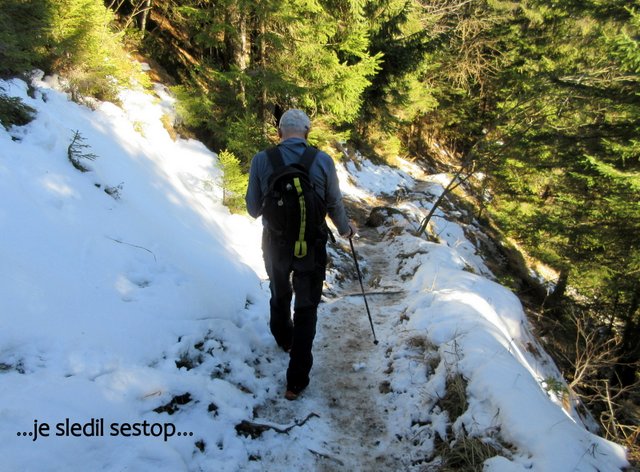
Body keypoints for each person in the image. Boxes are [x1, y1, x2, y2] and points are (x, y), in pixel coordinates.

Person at [245, 109, 356, 400]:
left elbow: (253, 208)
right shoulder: (322, 160)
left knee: (279, 291)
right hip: (311, 245)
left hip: (275, 243)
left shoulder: (261, 160)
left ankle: (284, 338)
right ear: (307, 132)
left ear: (279, 132)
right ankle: (296, 382)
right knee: (306, 307)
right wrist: (345, 229)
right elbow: (334, 202)